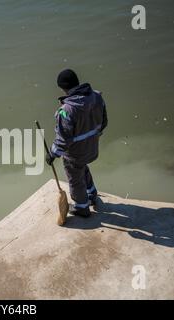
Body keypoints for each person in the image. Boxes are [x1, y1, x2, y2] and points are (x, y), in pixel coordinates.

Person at [46, 69, 108, 217]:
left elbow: (63, 138)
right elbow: (104, 122)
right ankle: (91, 194)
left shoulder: (66, 110)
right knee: (82, 167)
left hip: (75, 153)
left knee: (75, 178)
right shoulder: (97, 97)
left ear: (63, 88)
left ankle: (81, 207)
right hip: (92, 147)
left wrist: (53, 153)